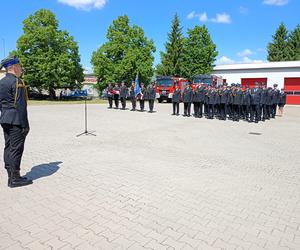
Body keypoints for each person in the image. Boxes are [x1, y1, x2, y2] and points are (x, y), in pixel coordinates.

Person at [0, 56, 33, 188]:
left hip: (5, 119)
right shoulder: (17, 82)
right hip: (16, 121)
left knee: (8, 147)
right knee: (16, 149)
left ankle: (10, 174)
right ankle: (15, 178)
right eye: (19, 67)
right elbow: (20, 105)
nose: (21, 69)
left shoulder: (1, 82)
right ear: (13, 67)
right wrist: (25, 125)